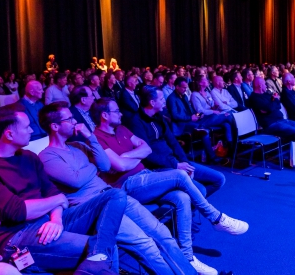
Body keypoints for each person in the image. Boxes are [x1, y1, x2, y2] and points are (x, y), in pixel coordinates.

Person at [91, 98, 248, 275]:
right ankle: (216, 218)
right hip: (127, 185)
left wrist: (126, 156)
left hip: (146, 176)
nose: (121, 114)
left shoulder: (122, 129)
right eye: (116, 111)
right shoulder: (97, 138)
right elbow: (120, 166)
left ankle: (188, 257)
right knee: (180, 175)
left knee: (183, 197)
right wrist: (132, 157)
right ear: (104, 115)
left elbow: (147, 149)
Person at [37, 102, 197, 275]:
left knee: (163, 234)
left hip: (115, 196)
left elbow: (105, 165)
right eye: (69, 119)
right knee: (146, 245)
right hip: (97, 207)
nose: (75, 121)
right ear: (55, 126)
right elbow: (76, 180)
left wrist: (90, 138)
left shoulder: (79, 146)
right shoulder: (47, 156)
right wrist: (94, 167)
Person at [0, 106, 126, 275]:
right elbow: (19, 212)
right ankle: (99, 254)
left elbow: (54, 193)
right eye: (26, 127)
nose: (32, 130)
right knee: (107, 251)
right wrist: (57, 201)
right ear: (9, 134)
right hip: (18, 236)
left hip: (50, 221)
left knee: (115, 195)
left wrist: (56, 220)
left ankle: (98, 252)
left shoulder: (28, 156)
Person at [132, 86, 226, 198]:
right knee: (200, 190)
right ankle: (191, 202)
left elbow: (173, 142)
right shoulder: (136, 122)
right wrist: (175, 165)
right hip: (160, 167)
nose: (164, 101)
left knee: (219, 179)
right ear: (152, 102)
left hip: (175, 161)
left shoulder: (158, 117)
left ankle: (192, 203)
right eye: (161, 99)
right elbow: (147, 155)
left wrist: (185, 162)